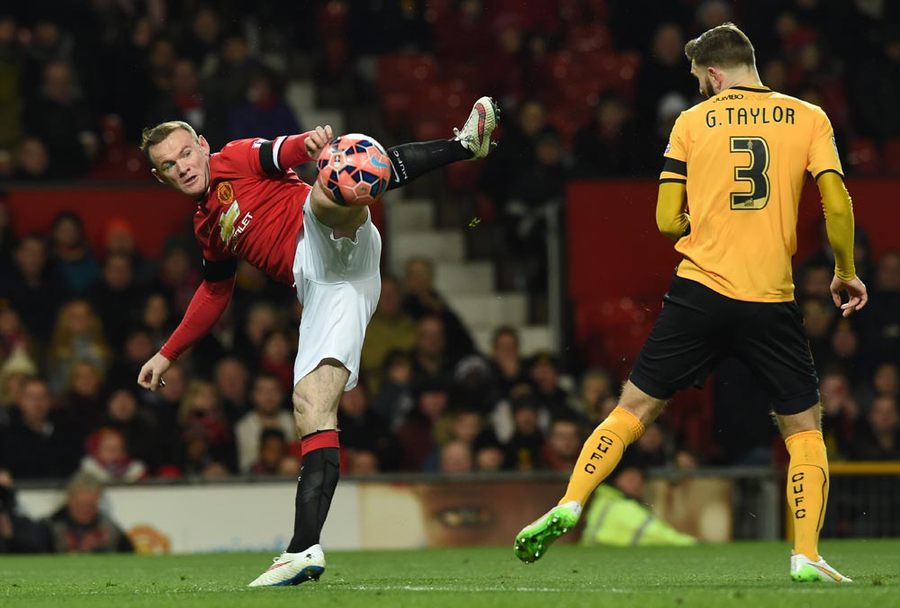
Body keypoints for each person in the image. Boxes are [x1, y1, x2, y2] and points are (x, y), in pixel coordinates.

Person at [514, 23, 865, 584]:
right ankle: (806, 554)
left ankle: (572, 501)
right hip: (768, 298)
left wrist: (697, 222)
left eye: (701, 78)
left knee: (634, 408)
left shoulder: (689, 122)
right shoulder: (809, 117)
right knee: (803, 429)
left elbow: (663, 220)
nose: (701, 87)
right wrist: (845, 272)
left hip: (697, 292)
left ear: (716, 73)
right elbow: (837, 204)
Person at [135, 96, 499, 586]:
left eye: (184, 154)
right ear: (160, 178)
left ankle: (463, 146)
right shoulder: (206, 227)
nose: (181, 167)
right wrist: (167, 352)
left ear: (201, 146)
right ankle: (303, 549)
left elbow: (280, 153)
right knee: (310, 405)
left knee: (338, 176)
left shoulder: (235, 156)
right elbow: (216, 290)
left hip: (323, 235)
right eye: (168, 166)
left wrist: (306, 146)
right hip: (324, 287)